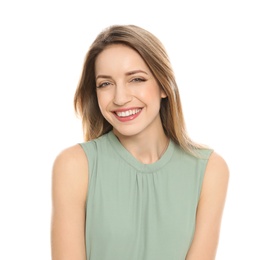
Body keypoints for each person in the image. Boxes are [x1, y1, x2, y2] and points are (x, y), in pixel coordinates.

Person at [51, 24, 229, 260]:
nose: (120, 98)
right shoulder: (74, 166)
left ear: (164, 85)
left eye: (136, 79)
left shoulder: (209, 169)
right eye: (105, 83)